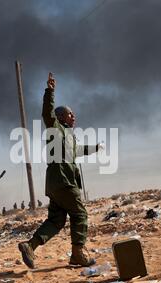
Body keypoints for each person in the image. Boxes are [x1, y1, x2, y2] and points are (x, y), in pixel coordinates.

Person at [18, 73, 100, 269]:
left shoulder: (69, 136)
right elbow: (47, 113)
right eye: (71, 114)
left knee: (56, 221)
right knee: (80, 214)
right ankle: (78, 254)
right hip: (63, 181)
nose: (74, 117)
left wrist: (95, 148)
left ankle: (29, 246)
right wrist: (50, 91)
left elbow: (78, 151)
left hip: (56, 184)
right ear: (61, 116)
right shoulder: (55, 127)